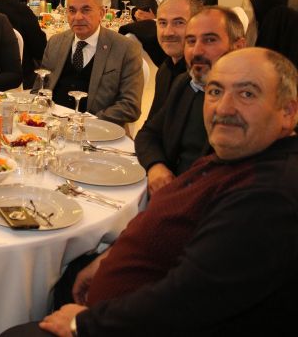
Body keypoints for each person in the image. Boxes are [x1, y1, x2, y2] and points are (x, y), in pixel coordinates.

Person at [36, 47, 297, 337]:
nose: (223, 108)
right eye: (215, 91)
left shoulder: (269, 196)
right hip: (115, 299)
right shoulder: (239, 157)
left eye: (247, 94)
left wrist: (82, 324)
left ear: (288, 112)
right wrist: (109, 258)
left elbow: (189, 300)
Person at [136, 6, 245, 195]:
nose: (196, 51)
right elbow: (148, 134)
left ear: (238, 46)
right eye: (191, 41)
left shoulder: (250, 103)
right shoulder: (185, 84)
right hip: (170, 194)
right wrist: (156, 166)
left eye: (210, 40)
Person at [41, 0, 143, 125]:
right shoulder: (55, 42)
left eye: (86, 10)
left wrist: (88, 122)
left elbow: (130, 106)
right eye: (72, 10)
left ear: (101, 13)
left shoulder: (125, 49)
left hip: (98, 130)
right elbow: (40, 88)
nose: (78, 17)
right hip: (53, 126)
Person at [149, 0, 202, 115]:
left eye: (179, 23)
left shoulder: (202, 79)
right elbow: (154, 122)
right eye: (162, 23)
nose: (168, 32)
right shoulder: (165, 70)